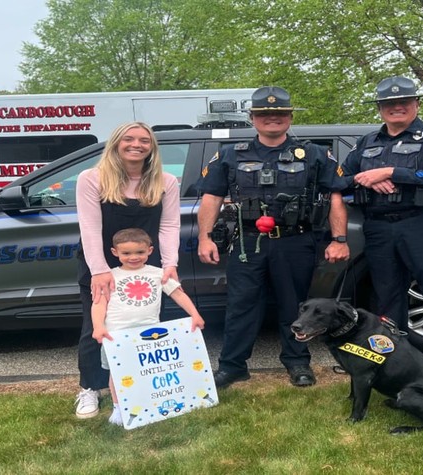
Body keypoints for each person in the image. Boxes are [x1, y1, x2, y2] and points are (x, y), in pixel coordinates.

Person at [197, 86, 349, 388]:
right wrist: (205, 237)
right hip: (248, 242)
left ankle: (297, 363)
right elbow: (212, 198)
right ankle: (232, 366)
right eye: (264, 114)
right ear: (253, 118)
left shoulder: (315, 155)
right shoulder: (229, 155)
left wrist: (339, 239)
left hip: (296, 240)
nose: (272, 118)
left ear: (290, 117)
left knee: (294, 306)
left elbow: (335, 198)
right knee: (241, 305)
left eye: (279, 113)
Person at [338, 76, 423, 383]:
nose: (396, 108)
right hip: (379, 227)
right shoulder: (367, 142)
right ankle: (397, 359)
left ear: (416, 104)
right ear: (380, 108)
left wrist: (394, 172)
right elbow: (341, 179)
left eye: (403, 102)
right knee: (387, 298)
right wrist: (366, 176)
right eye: (389, 104)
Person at [74, 121, 181, 418]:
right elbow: (90, 227)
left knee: (144, 327)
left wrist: (169, 264)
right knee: (95, 329)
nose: (137, 145)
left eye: (144, 140)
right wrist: (99, 270)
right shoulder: (92, 178)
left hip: (145, 268)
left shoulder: (166, 181)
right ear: (116, 143)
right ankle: (90, 388)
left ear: (152, 147)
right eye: (129, 139)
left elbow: (170, 225)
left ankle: (139, 387)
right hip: (101, 268)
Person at [91, 228, 205, 426]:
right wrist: (98, 327)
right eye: (126, 253)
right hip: (116, 337)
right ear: (115, 252)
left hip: (151, 336)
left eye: (139, 252)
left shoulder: (158, 274)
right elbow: (99, 303)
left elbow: (178, 294)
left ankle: (149, 403)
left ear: (150, 251)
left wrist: (194, 314)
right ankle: (119, 408)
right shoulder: (109, 276)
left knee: (147, 372)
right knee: (117, 374)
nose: (133, 257)